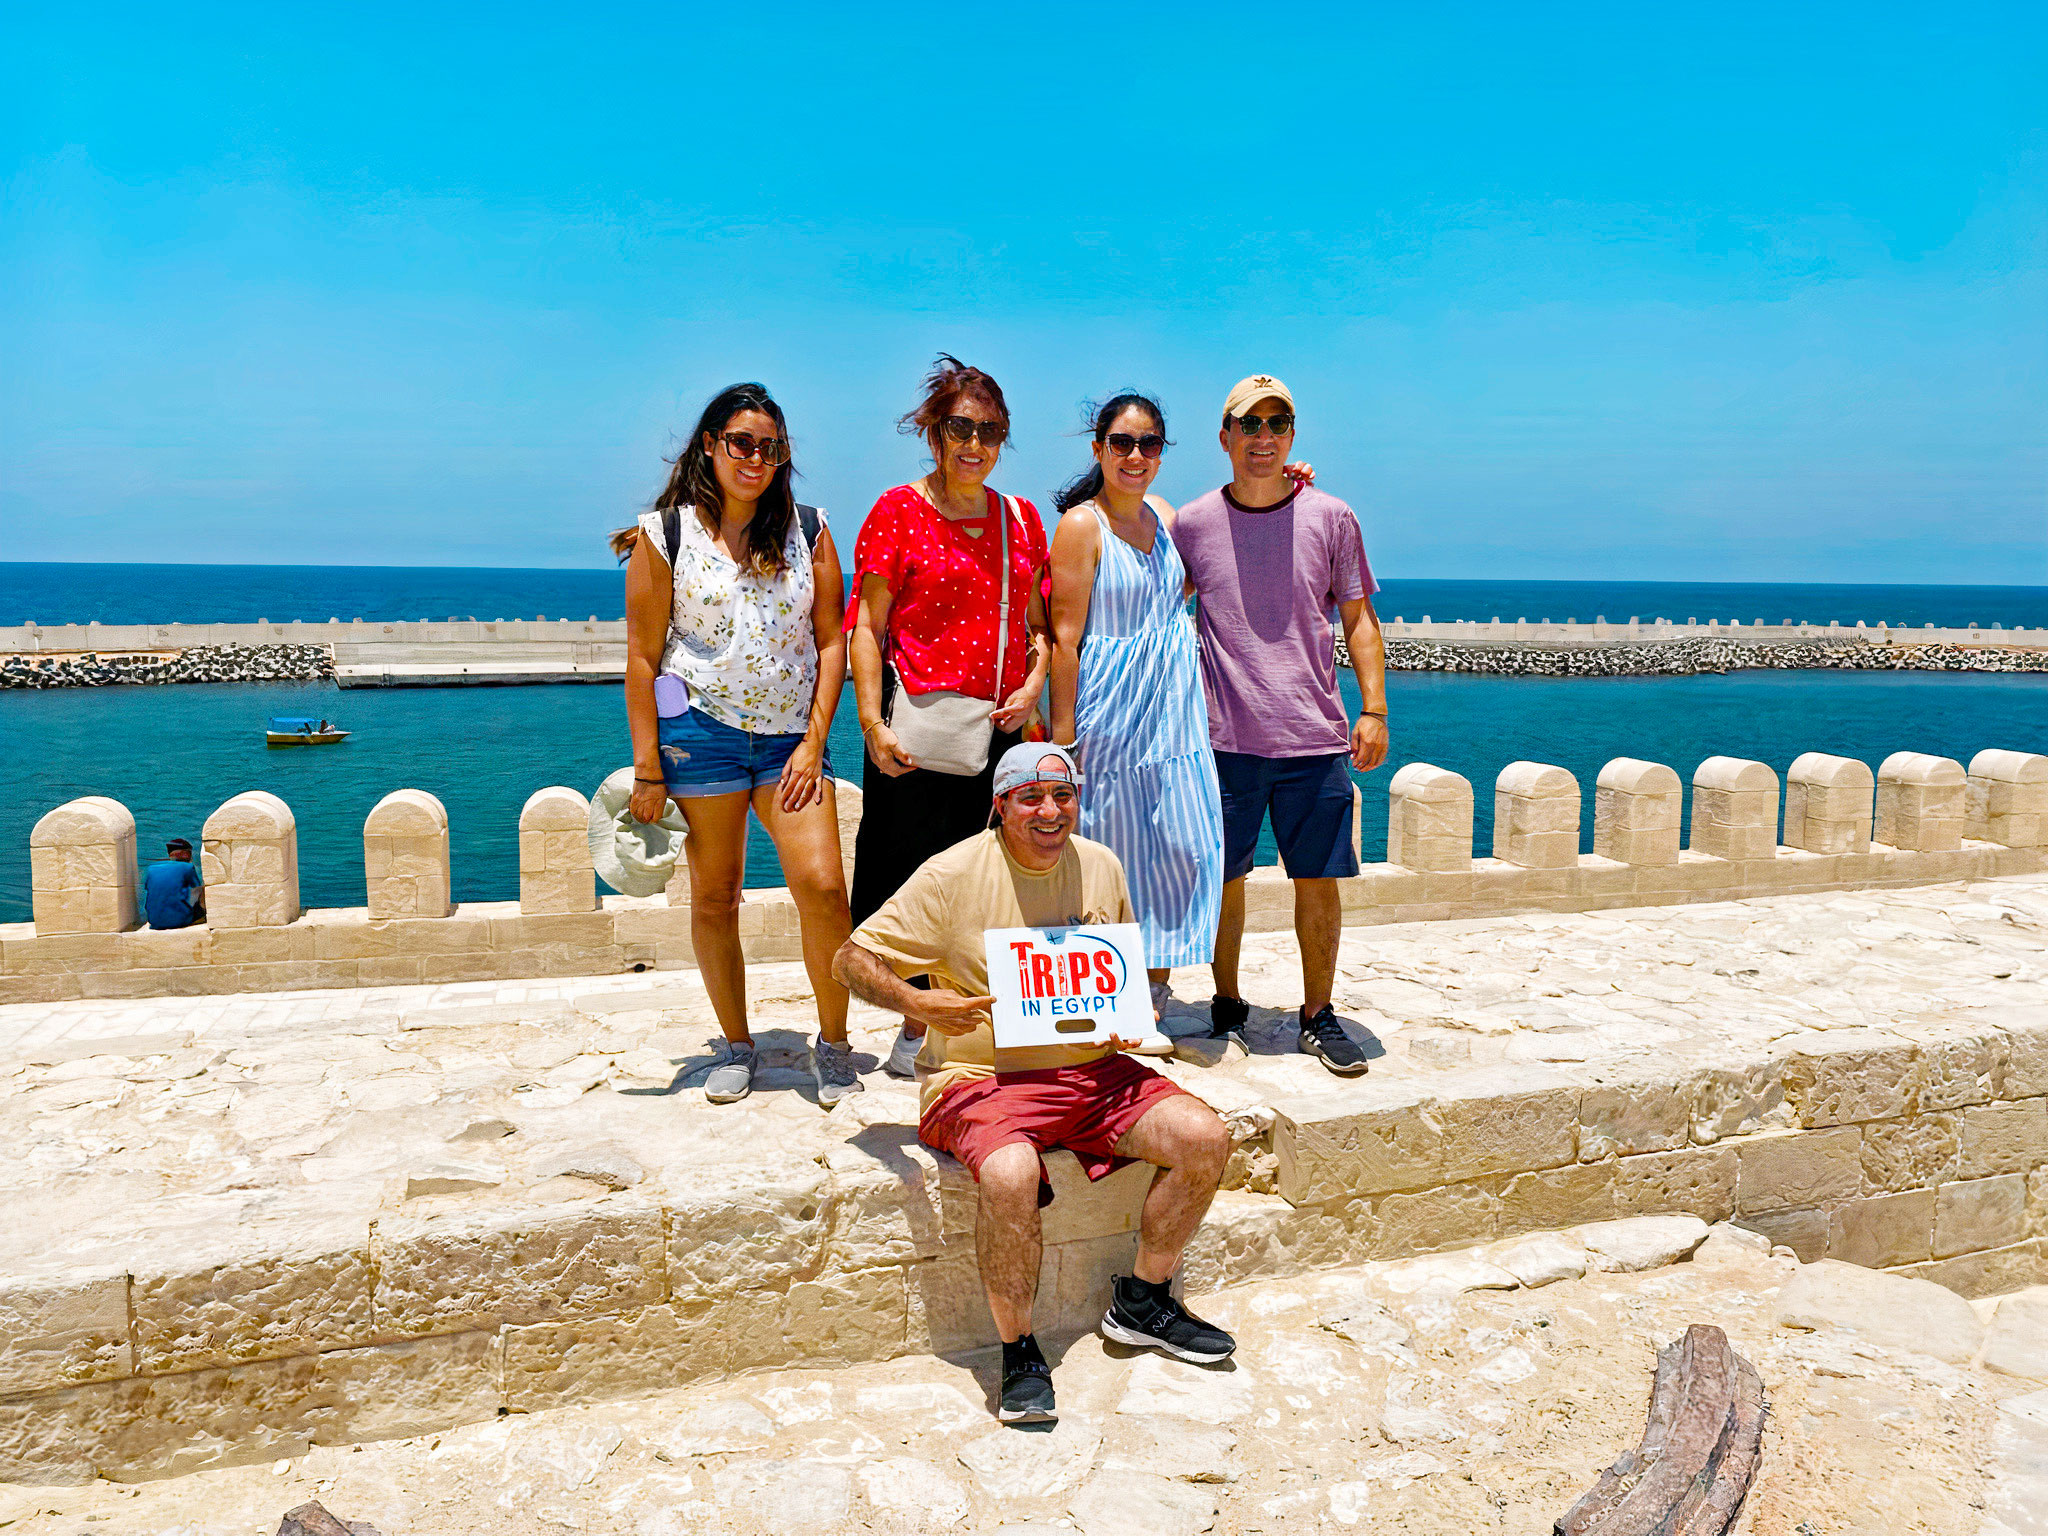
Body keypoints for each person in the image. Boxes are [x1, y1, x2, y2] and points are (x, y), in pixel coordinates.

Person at [832, 743, 1236, 1425]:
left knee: (1205, 1136)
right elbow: (851, 958)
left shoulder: (1101, 864)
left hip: (1091, 1071)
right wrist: (919, 1004)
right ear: (1002, 804)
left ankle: (1143, 1299)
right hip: (978, 1076)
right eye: (1031, 798)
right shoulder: (953, 873)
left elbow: (1116, 969)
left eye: (1064, 796)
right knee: (1012, 1171)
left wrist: (1126, 1014)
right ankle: (1018, 1349)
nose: (1050, 812)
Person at [618, 382, 859, 1108]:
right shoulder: (665, 535)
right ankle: (735, 1044)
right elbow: (642, 657)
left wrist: (815, 742)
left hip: (789, 742)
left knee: (822, 889)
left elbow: (831, 642)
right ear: (711, 447)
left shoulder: (810, 531)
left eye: (770, 447)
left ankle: (836, 1043)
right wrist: (648, 764)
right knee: (716, 896)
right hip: (700, 738)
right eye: (742, 443)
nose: (755, 458)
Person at [1174, 374, 1389, 1075]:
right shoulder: (1192, 523)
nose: (1264, 436)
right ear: (1225, 437)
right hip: (1222, 740)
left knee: (1317, 882)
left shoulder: (1332, 516)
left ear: (1292, 435)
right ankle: (1227, 1003)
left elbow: (1357, 618)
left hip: (1313, 736)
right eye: (1250, 423)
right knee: (1224, 882)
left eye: (1278, 423)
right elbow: (1145, 596)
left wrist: (1375, 709)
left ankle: (1317, 1014)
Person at [847, 356, 1052, 1080]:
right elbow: (866, 630)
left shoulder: (1021, 519)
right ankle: (915, 1022)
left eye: (990, 431)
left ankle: (970, 1028)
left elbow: (1040, 630)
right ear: (933, 433)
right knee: (906, 882)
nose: (975, 444)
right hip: (915, 735)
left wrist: (1033, 686)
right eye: (960, 427)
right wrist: (872, 725)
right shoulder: (896, 512)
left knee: (992, 884)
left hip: (998, 736)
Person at [1045, 393, 1224, 1021]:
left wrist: (1289, 483)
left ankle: (1154, 985)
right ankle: (1112, 997)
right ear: (1099, 450)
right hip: (1109, 711)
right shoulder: (1080, 526)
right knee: (1110, 853)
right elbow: (1066, 641)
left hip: (1172, 708)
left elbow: (1200, 574)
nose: (1136, 455)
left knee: (1182, 844)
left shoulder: (1167, 516)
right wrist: (1064, 744)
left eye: (1149, 444)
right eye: (1122, 442)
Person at [142, 837, 204, 930]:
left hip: (154, 921)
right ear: (185, 854)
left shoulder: (152, 869)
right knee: (202, 889)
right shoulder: (188, 867)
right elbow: (196, 889)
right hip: (180, 920)